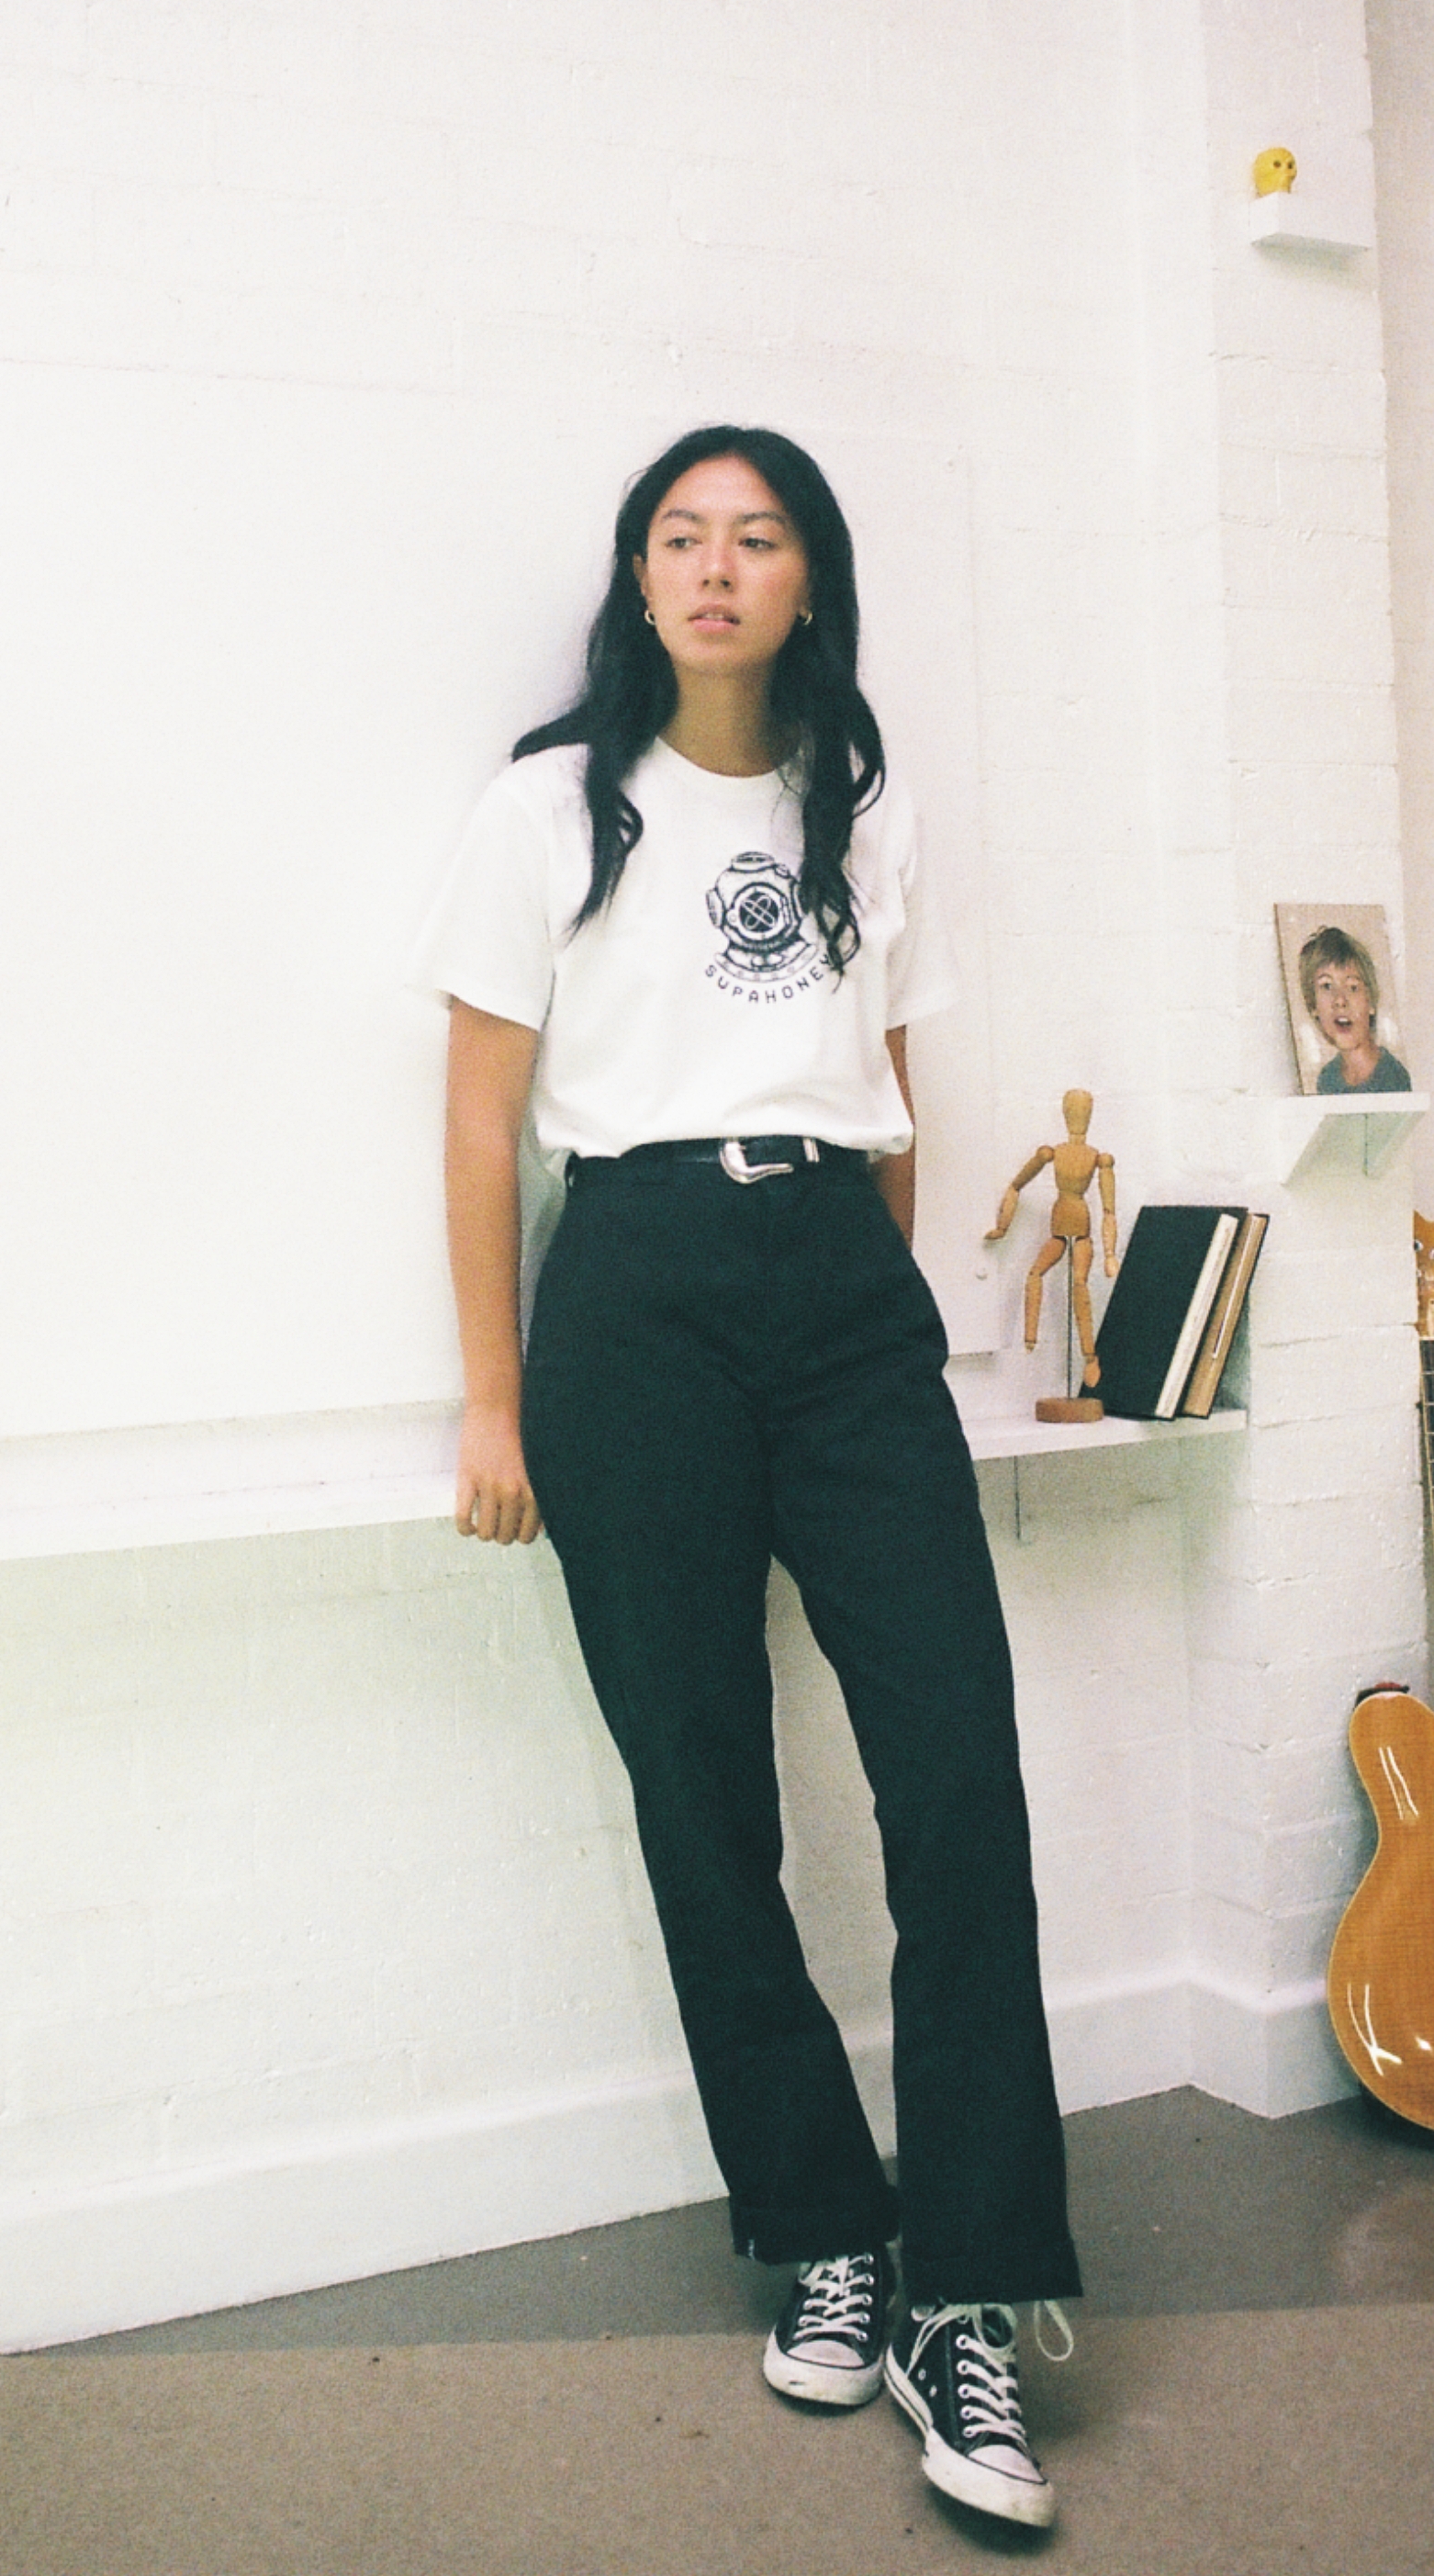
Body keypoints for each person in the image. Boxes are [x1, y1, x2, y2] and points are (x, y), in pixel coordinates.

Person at [411, 424, 1081, 2534]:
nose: (714, 566)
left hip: (840, 1296)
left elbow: (896, 1092)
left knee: (954, 1784)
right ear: (637, 579)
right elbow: (478, 1120)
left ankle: (964, 2292)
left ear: (807, 582)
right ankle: (822, 2229)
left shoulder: (859, 802)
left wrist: (875, 1312)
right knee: (702, 1796)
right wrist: (493, 1401)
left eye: (756, 536)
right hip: (629, 1299)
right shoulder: (548, 807)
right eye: (678, 537)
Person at [1298, 923, 1411, 1096]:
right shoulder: (1327, 1080)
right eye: (1327, 986)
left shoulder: (1393, 1078)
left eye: (1352, 987)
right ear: (1313, 1006)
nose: (1340, 1000)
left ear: (1371, 1003)